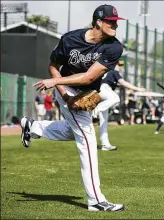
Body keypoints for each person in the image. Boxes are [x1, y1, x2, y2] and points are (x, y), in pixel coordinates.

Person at [20, 4, 125, 211]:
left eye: (116, 22)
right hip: (65, 89)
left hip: (85, 91)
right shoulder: (70, 39)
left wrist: (55, 84)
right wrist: (64, 93)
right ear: (97, 22)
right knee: (87, 140)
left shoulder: (114, 47)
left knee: (72, 131)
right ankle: (96, 200)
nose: (115, 25)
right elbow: (53, 66)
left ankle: (32, 127)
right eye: (110, 22)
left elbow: (88, 77)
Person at [93, 69, 145, 151]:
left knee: (104, 121)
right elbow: (123, 83)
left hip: (98, 91)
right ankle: (96, 109)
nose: (120, 67)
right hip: (105, 89)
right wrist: (137, 88)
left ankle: (105, 144)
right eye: (119, 64)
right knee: (116, 98)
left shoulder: (102, 70)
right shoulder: (114, 71)